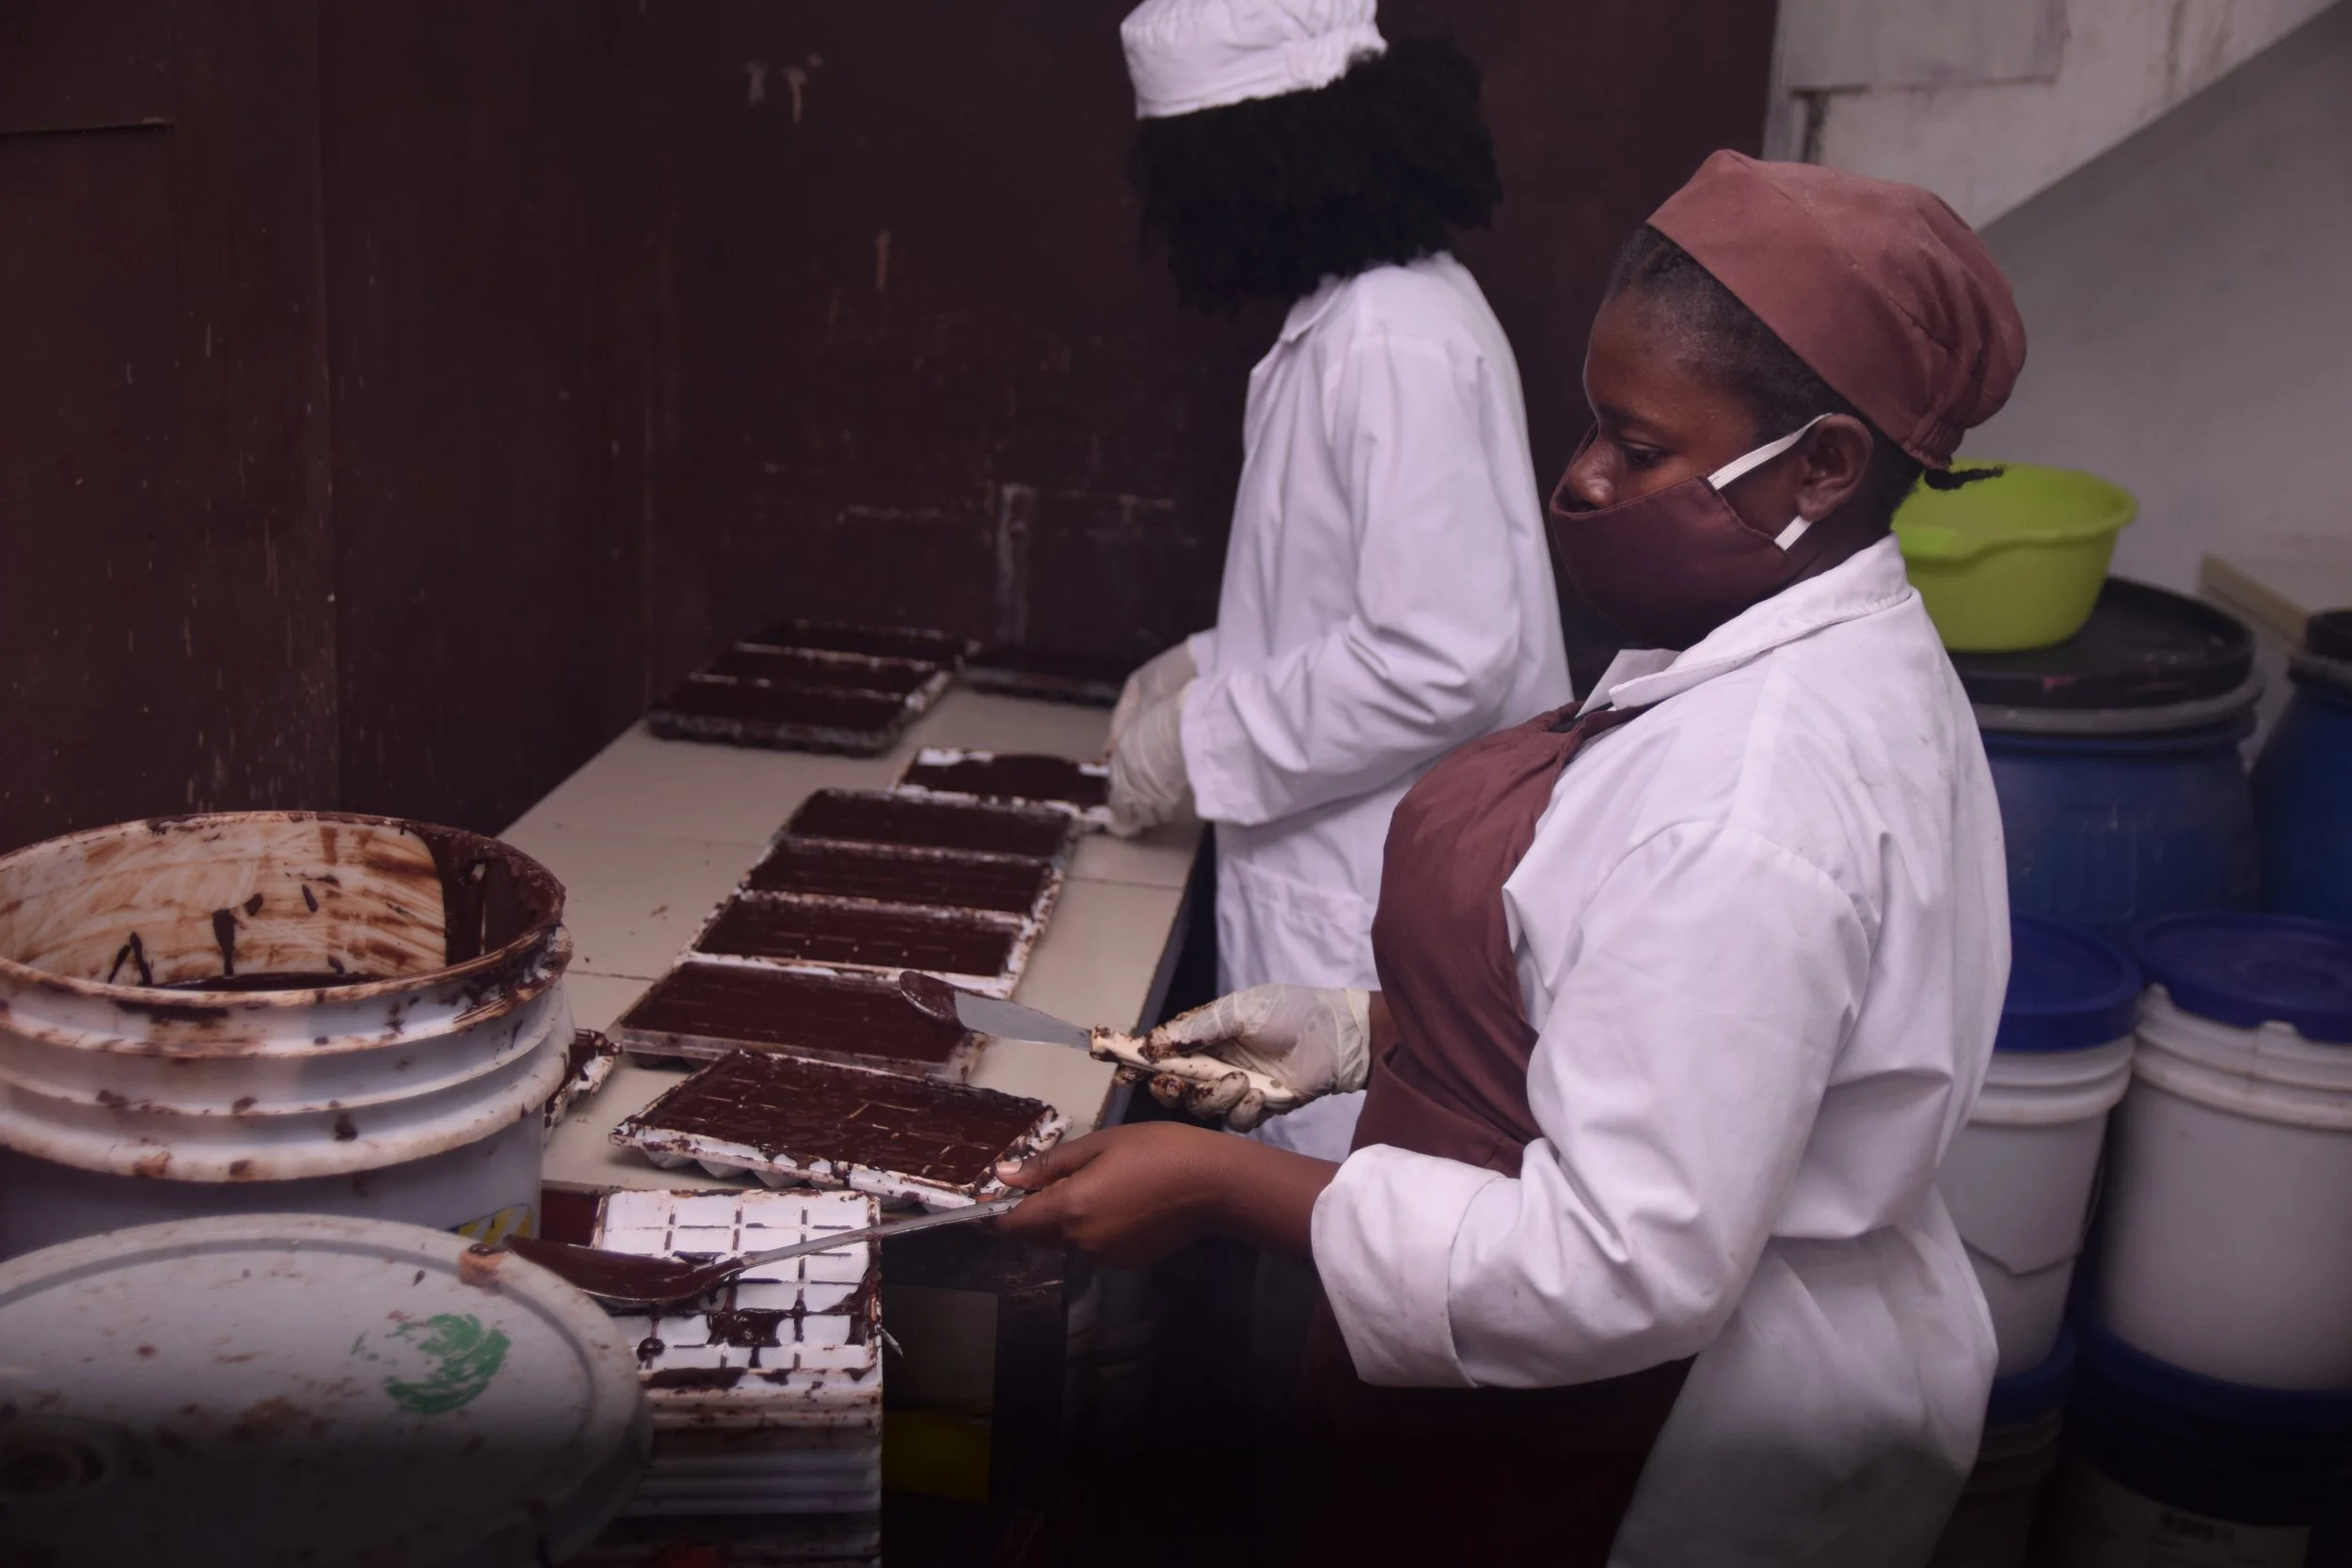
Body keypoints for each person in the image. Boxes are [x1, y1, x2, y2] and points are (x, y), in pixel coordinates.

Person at [1001, 150, 2026, 1566]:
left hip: (1656, 1452)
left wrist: (1221, 1187)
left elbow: (1615, 1265)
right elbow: (1655, 1012)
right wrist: (1374, 1034)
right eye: (1592, 425)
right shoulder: (1775, 654)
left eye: (1640, 446)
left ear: (1824, 465)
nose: (1583, 477)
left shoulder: (1757, 795)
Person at [1104, 0, 1572, 1008]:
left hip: (1370, 908)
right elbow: (1338, 598)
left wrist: (1198, 740)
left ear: (1256, 163)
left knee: (1335, 1168)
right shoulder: (1358, 315)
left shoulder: (1388, 335)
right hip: (1332, 892)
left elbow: (1439, 655)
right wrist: (1210, 658)